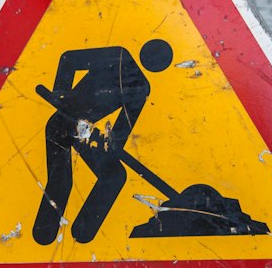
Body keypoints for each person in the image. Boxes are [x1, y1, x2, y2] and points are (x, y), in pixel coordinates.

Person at [33, 39, 173, 245]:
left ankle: (82, 234)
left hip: (88, 135)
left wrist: (109, 144)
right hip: (60, 125)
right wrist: (60, 93)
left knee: (114, 175)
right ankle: (43, 235)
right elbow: (68, 59)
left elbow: (120, 133)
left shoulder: (141, 88)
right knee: (61, 181)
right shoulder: (118, 56)